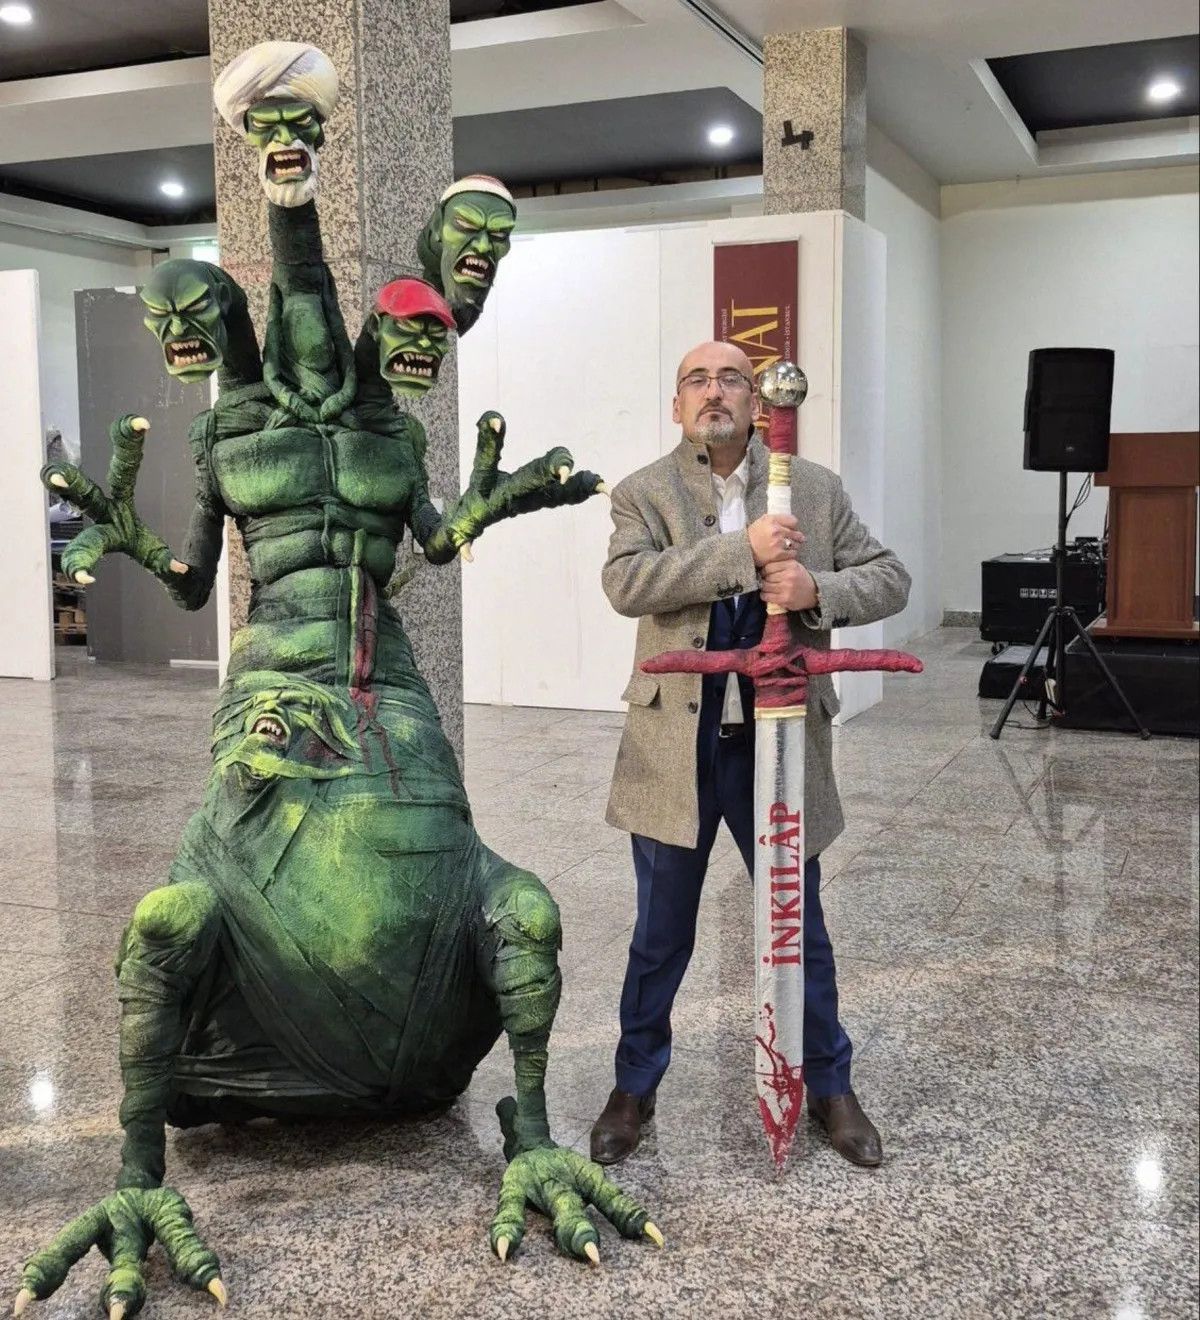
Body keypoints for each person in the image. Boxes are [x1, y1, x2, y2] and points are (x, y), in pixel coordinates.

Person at [590, 339, 910, 1168]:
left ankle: (830, 1086)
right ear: (676, 405)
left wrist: (817, 589)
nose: (714, 391)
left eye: (730, 378)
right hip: (677, 745)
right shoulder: (642, 492)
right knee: (660, 933)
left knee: (799, 923)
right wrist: (747, 552)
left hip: (780, 744)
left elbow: (891, 578)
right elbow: (628, 584)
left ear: (755, 401)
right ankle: (634, 1086)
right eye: (696, 380)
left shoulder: (815, 488)